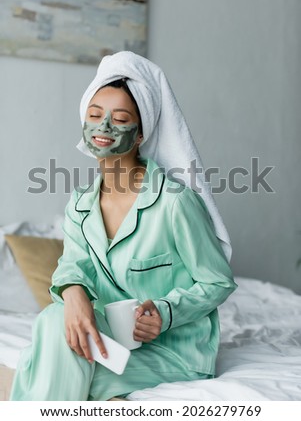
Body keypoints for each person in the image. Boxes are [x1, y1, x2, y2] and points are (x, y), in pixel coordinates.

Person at [10, 52, 237, 401]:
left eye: (119, 119)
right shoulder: (80, 205)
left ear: (140, 133)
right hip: (111, 340)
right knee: (57, 320)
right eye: (95, 115)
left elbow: (217, 280)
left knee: (45, 364)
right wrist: (73, 295)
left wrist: (165, 311)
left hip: (172, 351)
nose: (104, 127)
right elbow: (73, 265)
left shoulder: (174, 203)